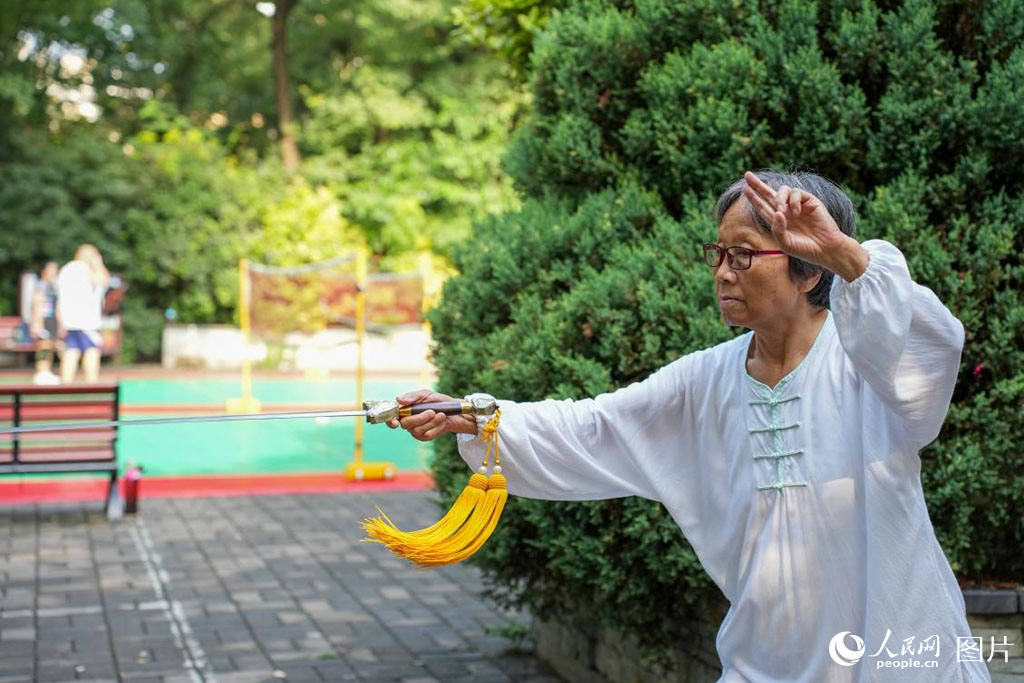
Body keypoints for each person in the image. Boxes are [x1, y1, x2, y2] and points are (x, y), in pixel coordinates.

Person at [389, 170, 989, 682]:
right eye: (720, 254)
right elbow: (594, 427)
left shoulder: (869, 362)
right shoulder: (703, 381)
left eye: (746, 254)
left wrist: (847, 255)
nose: (724, 272)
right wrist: (476, 415)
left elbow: (929, 352)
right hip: (764, 662)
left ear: (809, 272)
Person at [57, 244, 110, 384]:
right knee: (92, 351)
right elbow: (104, 280)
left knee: (71, 351)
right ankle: (91, 383)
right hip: (87, 321)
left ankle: (66, 383)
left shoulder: (66, 269)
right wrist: (99, 264)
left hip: (70, 320)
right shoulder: (85, 269)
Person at [30, 261, 61, 385]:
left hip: (52, 321)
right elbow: (37, 306)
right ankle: (42, 373)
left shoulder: (53, 286)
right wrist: (37, 324)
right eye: (52, 269)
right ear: (44, 271)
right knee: (44, 347)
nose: (55, 272)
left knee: (51, 346)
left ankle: (47, 372)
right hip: (44, 320)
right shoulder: (41, 286)